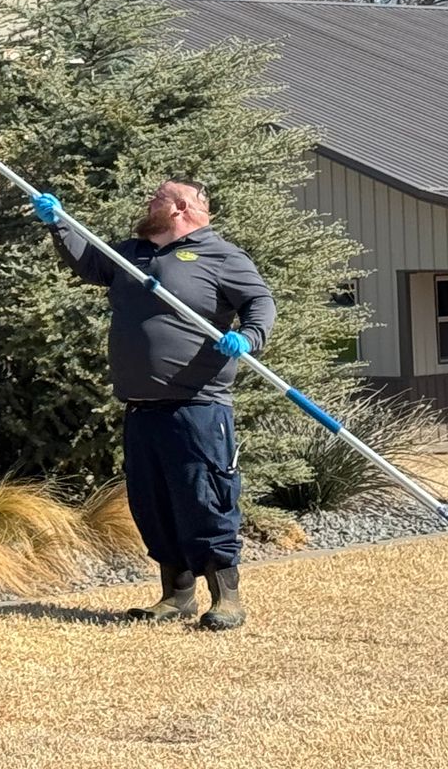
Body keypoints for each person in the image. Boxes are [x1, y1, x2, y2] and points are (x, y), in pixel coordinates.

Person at [31, 179, 275, 630]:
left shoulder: (220, 255)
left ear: (180, 207)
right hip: (141, 407)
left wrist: (249, 337)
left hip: (197, 405)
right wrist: (59, 224)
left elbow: (259, 301)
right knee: (152, 503)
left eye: (157, 198)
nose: (149, 204)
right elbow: (90, 264)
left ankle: (227, 599)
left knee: (206, 498)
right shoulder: (133, 253)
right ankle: (175, 596)